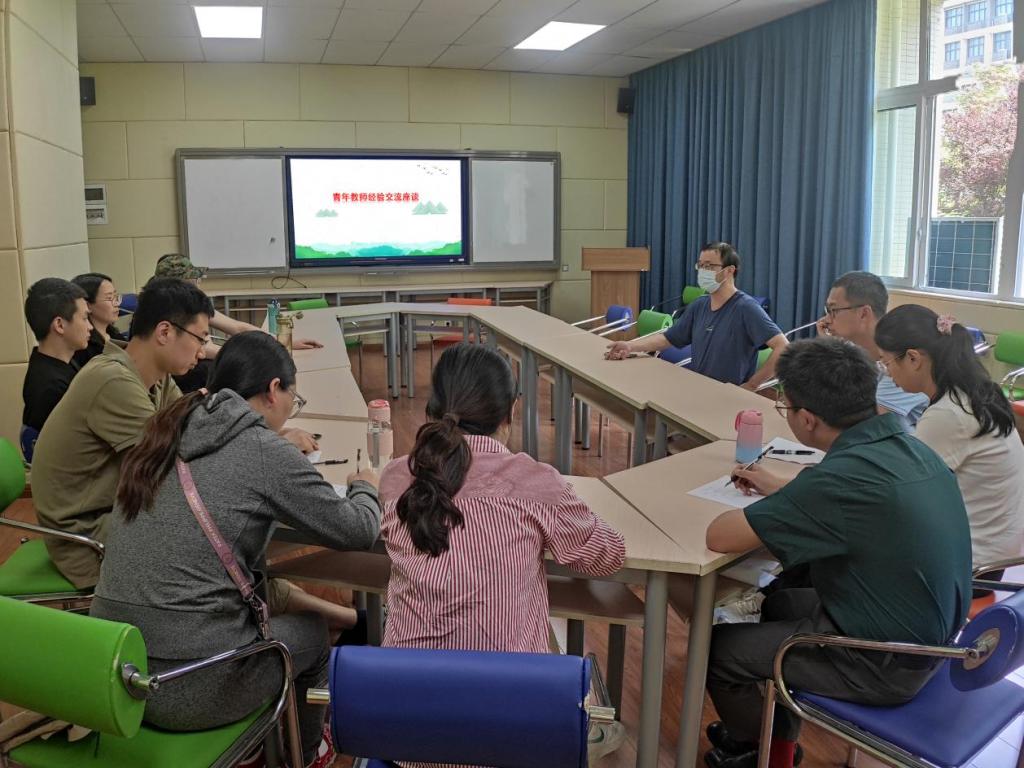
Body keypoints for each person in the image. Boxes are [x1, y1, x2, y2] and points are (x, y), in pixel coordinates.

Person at [90, 331, 381, 768]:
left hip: (114, 673)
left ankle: (268, 740)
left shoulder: (165, 430)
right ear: (274, 390)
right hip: (185, 690)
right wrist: (365, 486)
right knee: (313, 635)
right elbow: (358, 529)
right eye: (294, 399)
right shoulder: (261, 451)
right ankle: (305, 755)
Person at [702, 338, 971, 768]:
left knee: (718, 651)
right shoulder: (912, 449)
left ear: (807, 419)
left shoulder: (839, 479)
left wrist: (787, 498)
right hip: (931, 640)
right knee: (779, 603)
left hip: (887, 664)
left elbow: (721, 536)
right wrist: (789, 490)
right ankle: (774, 734)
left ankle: (764, 748)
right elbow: (843, 496)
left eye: (785, 406)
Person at [379, 343, 627, 762]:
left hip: (410, 729)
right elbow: (608, 556)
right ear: (511, 412)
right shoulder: (535, 481)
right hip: (511, 730)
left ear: (433, 407)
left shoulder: (396, 477)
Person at [31, 277, 212, 588]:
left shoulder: (155, 377)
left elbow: (195, 427)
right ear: (165, 332)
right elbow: (179, 458)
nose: (202, 351)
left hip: (115, 515)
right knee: (214, 538)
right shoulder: (112, 380)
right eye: (200, 339)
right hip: (87, 539)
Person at [876, 304, 1024, 573]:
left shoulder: (948, 413)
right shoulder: (973, 393)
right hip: (1000, 553)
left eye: (886, 363)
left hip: (973, 566)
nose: (888, 374)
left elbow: (904, 493)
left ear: (913, 358)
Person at [605, 242, 787, 389]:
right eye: (700, 265)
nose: (703, 271)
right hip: (700, 388)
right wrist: (630, 346)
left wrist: (752, 385)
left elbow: (783, 347)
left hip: (729, 396)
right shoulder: (700, 305)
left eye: (709, 266)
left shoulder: (746, 308)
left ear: (729, 270)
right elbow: (668, 338)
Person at [818, 271, 929, 432]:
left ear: (864, 313)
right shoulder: (857, 352)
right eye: (827, 310)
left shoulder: (901, 359)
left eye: (833, 310)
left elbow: (867, 426)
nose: (827, 320)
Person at [21, 278, 92, 434]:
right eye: (85, 318)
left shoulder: (57, 365)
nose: (90, 327)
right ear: (59, 325)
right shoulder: (52, 388)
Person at [71, 272, 127, 368]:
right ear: (87, 305)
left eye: (116, 297)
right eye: (109, 298)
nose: (117, 303)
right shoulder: (83, 347)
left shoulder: (116, 336)